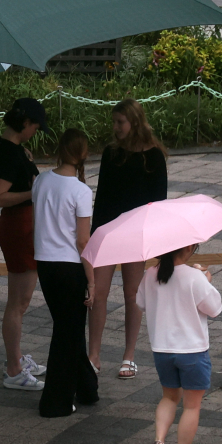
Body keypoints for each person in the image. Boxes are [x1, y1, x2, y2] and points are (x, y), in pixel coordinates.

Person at [88, 99, 168, 380]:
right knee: (97, 293)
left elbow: (159, 202)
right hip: (109, 229)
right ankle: (93, 354)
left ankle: (129, 355)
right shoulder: (112, 153)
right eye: (114, 122)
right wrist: (94, 234)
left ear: (134, 122)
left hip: (136, 232)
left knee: (132, 294)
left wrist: (154, 240)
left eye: (119, 122)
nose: (115, 128)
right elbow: (102, 197)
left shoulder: (154, 156)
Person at [138, 244, 221, 444]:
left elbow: (141, 303)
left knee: (169, 397)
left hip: (162, 349)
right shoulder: (195, 277)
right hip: (192, 351)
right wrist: (206, 280)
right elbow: (215, 309)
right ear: (188, 248)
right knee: (192, 405)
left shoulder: (150, 273)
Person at [30, 128, 98, 417]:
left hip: (44, 264)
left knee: (67, 327)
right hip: (70, 267)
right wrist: (92, 280)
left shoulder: (41, 180)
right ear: (84, 155)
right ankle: (55, 401)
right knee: (66, 334)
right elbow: (83, 240)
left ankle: (86, 387)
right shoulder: (81, 191)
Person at [0, 98, 50, 391]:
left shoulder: (14, 150)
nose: (35, 133)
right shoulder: (6, 152)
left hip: (24, 227)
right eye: (35, 128)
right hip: (17, 227)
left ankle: (15, 359)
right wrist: (32, 193)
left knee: (20, 302)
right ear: (25, 122)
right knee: (18, 303)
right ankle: (14, 369)